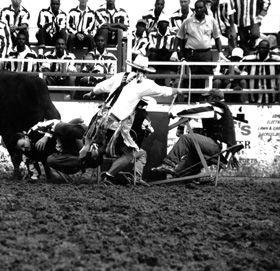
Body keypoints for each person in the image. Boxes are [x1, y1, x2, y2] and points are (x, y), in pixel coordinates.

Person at [81, 55, 181, 185]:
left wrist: (92, 93)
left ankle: (91, 154)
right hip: (114, 122)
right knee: (129, 154)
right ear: (145, 71)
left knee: (109, 146)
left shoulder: (120, 76)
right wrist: (177, 90)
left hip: (100, 119)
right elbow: (163, 91)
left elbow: (101, 86)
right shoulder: (143, 84)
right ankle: (108, 176)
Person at [152, 88, 237, 177]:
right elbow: (195, 113)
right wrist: (181, 125)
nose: (206, 100)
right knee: (178, 174)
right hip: (217, 147)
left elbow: (195, 111)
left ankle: (168, 164)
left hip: (216, 147)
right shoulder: (221, 108)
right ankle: (193, 176)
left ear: (215, 98)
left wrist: (174, 114)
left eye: (208, 98)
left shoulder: (216, 108)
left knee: (186, 138)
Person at [170, 0, 229, 91]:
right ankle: (193, 99)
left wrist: (220, 52)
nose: (199, 9)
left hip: (206, 54)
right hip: (192, 54)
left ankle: (205, 99)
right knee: (192, 78)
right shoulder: (187, 21)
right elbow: (178, 37)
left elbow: (217, 38)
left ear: (205, 8)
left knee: (207, 77)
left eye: (201, 7)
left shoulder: (211, 20)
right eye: (197, 7)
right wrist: (174, 52)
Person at [14, 118, 90, 177]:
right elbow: (34, 173)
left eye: (23, 145)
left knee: (59, 127)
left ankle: (87, 133)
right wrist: (34, 177)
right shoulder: (27, 155)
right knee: (50, 160)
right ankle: (87, 160)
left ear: (26, 138)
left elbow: (55, 122)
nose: (23, 149)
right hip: (65, 156)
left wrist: (46, 136)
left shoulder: (35, 131)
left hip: (67, 141)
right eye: (21, 149)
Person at [239, 39, 280, 103]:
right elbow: (236, 69)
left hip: (272, 97)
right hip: (253, 97)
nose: (261, 50)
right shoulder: (249, 59)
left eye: (264, 48)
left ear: (268, 49)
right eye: (260, 48)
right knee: (242, 81)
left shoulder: (276, 59)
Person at [146, 13, 176, 86]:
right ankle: (151, 78)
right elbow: (151, 47)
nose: (163, 25)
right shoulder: (152, 34)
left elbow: (175, 48)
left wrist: (167, 51)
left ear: (168, 25)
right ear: (158, 25)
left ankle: (172, 80)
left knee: (174, 57)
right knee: (152, 55)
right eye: (161, 23)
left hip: (168, 55)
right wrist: (159, 50)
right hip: (157, 54)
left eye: (165, 23)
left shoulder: (172, 35)